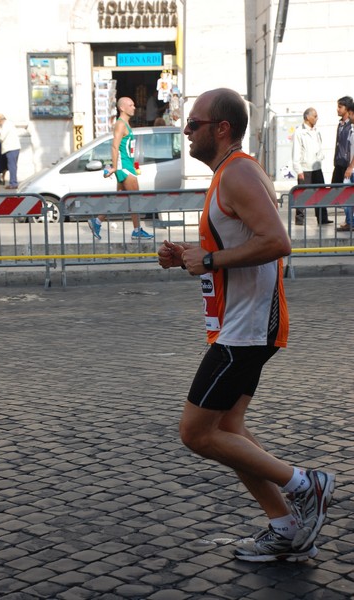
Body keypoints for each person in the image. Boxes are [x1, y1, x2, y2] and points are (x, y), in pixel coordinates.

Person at [158, 87, 335, 563]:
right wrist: (191, 259)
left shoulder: (237, 173)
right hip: (241, 324)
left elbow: (277, 241)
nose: (186, 131)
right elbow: (242, 243)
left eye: (193, 124)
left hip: (247, 329)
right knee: (230, 425)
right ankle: (286, 527)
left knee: (196, 433)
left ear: (221, 128)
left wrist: (211, 257)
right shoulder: (230, 174)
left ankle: (306, 485)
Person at [89, 97, 154, 241]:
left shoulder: (126, 124)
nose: (134, 107)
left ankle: (97, 221)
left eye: (134, 104)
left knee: (117, 197)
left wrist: (133, 164)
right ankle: (137, 230)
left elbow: (126, 148)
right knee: (135, 198)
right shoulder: (120, 124)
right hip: (124, 167)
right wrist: (114, 167)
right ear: (122, 108)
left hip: (127, 166)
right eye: (131, 105)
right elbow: (114, 146)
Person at [292, 108, 332, 225]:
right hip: (305, 169)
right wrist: (298, 170)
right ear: (307, 117)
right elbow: (296, 152)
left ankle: (322, 218)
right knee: (302, 195)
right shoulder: (299, 132)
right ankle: (300, 220)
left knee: (321, 193)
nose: (317, 118)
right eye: (315, 116)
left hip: (317, 167)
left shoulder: (316, 131)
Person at [0, 113, 21, 189]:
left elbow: (2, 136)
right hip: (15, 147)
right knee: (13, 166)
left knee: (11, 166)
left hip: (11, 148)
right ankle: (13, 182)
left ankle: (13, 184)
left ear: (0, 120)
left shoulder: (6, 125)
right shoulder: (10, 124)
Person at [337, 100, 354, 231]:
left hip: (351, 169)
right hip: (349, 167)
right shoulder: (350, 129)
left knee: (348, 196)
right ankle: (349, 222)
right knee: (347, 195)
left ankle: (350, 222)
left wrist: (350, 167)